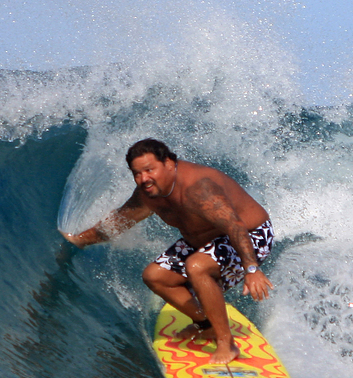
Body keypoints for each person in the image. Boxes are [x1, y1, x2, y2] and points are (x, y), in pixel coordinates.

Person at [61, 138, 273, 364]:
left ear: (170, 163)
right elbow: (118, 223)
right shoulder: (147, 195)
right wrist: (79, 240)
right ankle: (206, 325)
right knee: (155, 276)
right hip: (205, 241)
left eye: (149, 170)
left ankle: (226, 343)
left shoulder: (199, 189)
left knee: (197, 266)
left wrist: (252, 269)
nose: (143, 179)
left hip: (251, 236)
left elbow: (235, 226)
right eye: (137, 173)